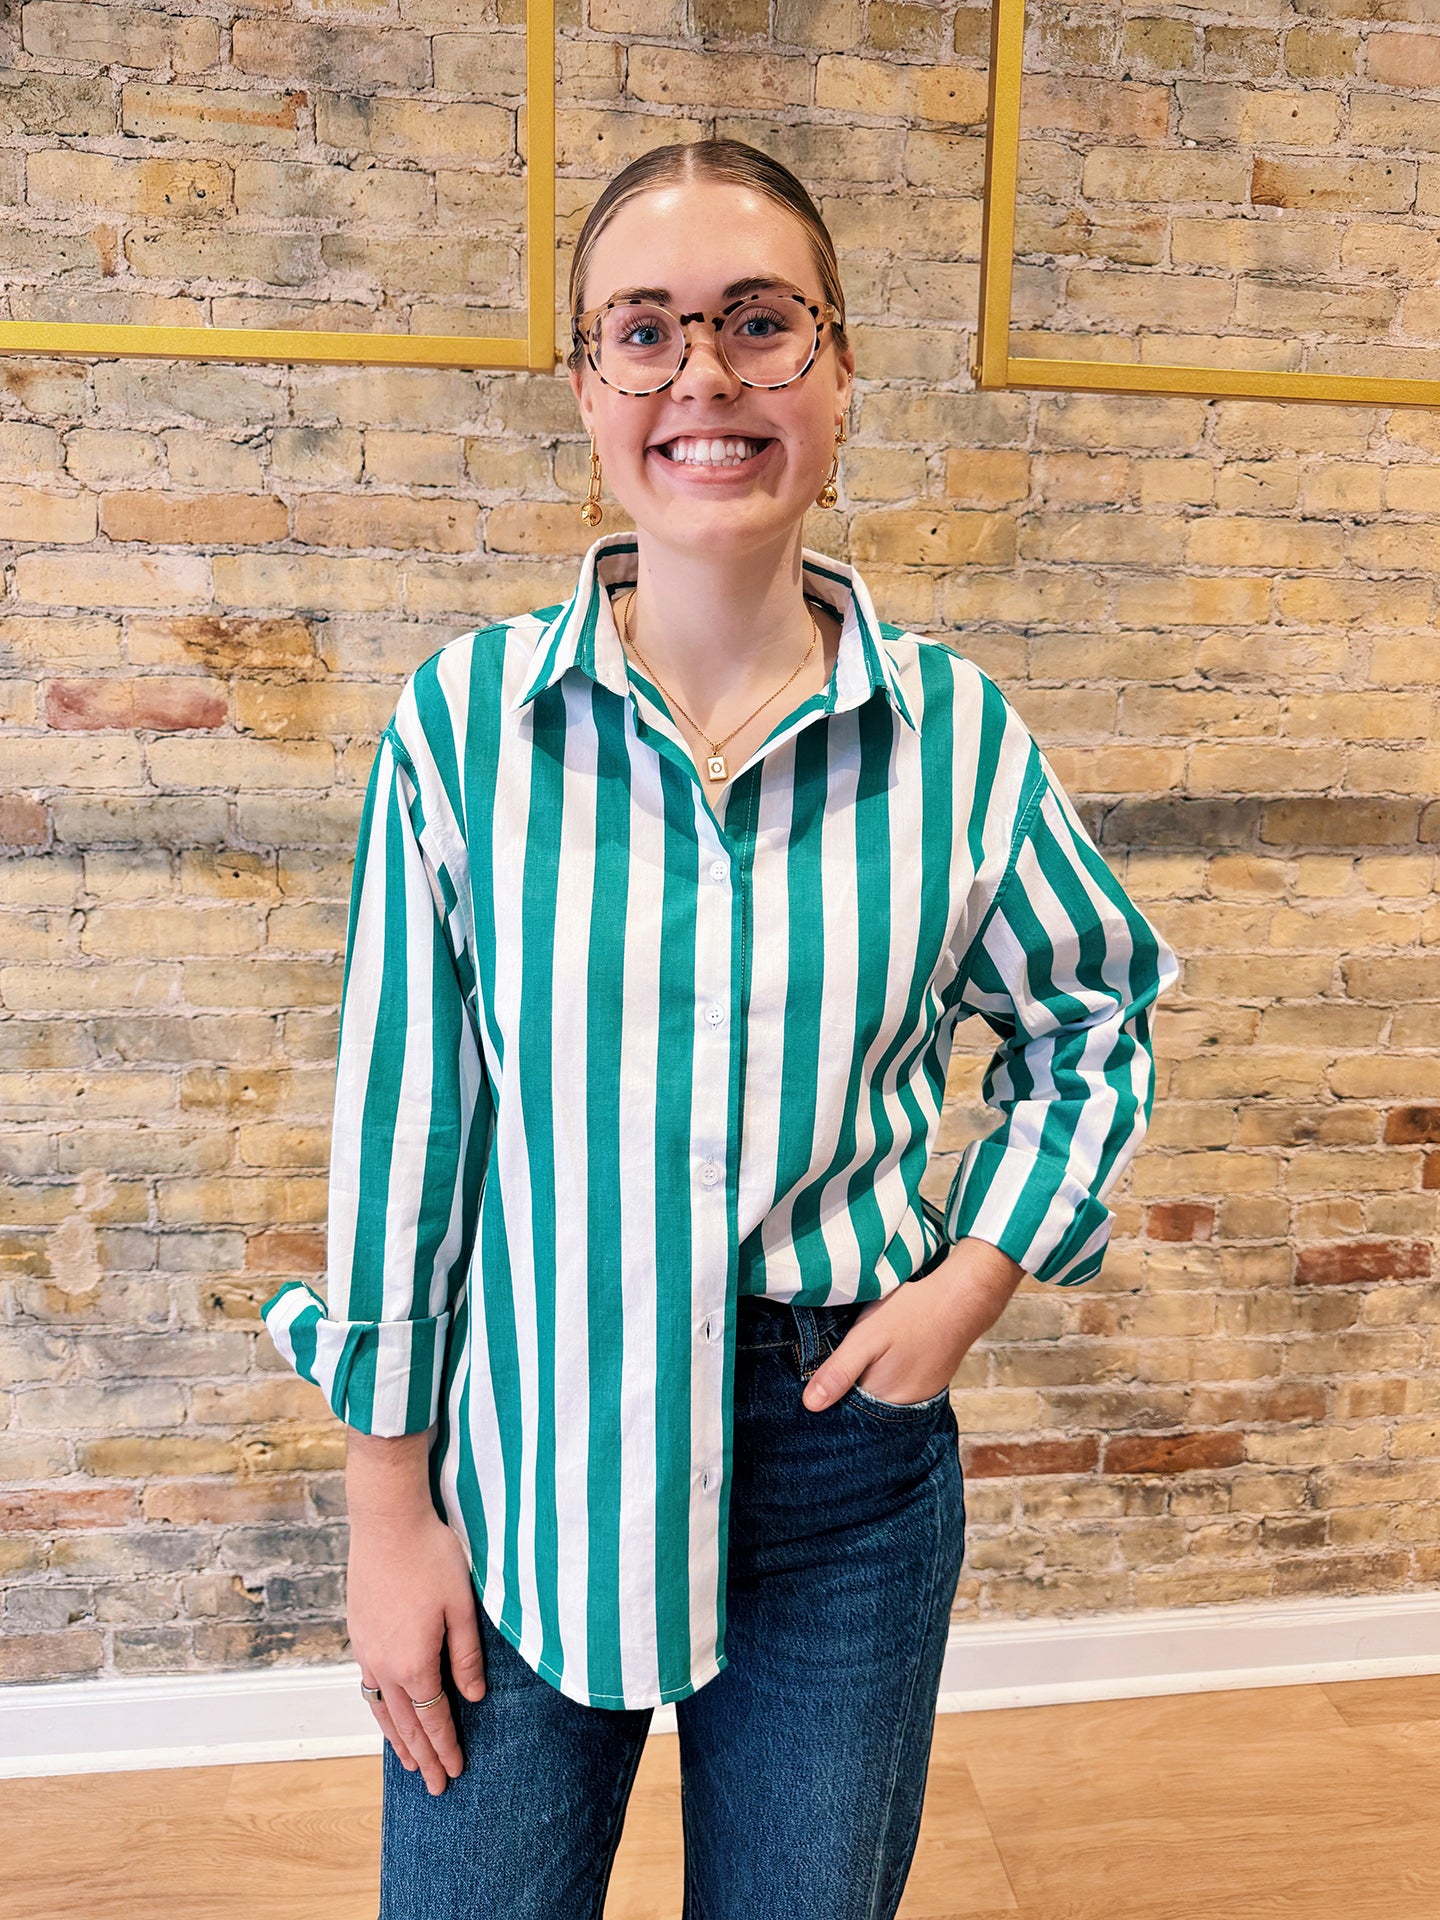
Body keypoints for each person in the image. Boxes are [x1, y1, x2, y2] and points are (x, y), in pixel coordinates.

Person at [261, 138, 1178, 1920]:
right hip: (530, 1458)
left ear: (837, 371)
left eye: (760, 324)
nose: (705, 377)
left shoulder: (959, 741)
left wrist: (975, 1277)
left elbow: (1096, 1019)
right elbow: (404, 1141)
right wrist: (386, 1513)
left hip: (845, 1472)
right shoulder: (463, 728)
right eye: (646, 330)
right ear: (585, 385)